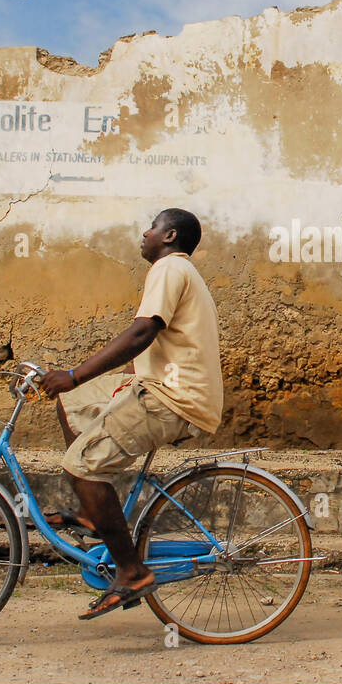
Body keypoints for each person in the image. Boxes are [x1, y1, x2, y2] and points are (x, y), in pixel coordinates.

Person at [39, 208, 223, 619]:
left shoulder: (169, 268)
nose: (144, 233)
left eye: (152, 227)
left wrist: (74, 373)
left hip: (171, 398)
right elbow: (152, 348)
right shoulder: (176, 272)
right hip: (159, 385)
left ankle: (131, 572)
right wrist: (81, 384)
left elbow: (142, 332)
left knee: (81, 466)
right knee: (74, 401)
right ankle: (92, 512)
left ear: (169, 235)